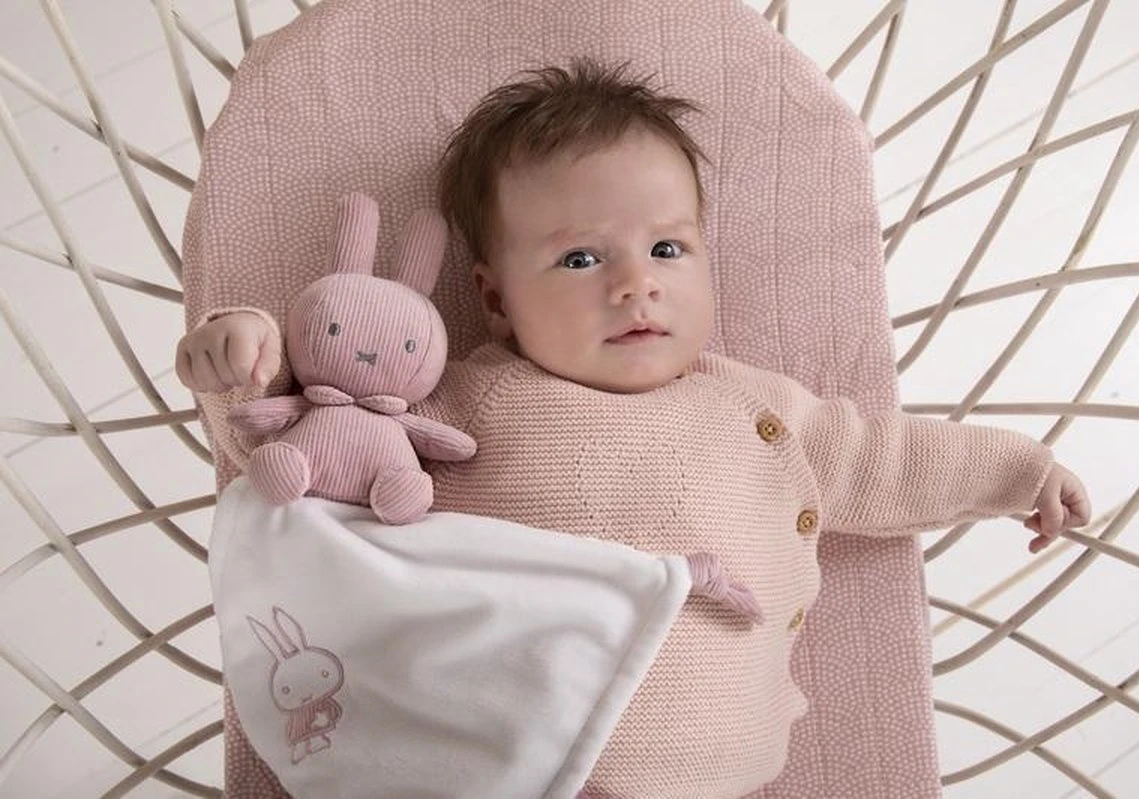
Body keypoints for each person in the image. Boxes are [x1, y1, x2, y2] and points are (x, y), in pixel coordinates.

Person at [178, 60, 1090, 799]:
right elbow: (308, 450)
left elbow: (884, 458)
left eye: (667, 248)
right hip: (507, 757)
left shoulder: (759, 410)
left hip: (719, 765)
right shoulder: (477, 400)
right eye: (580, 258)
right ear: (495, 300)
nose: (635, 284)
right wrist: (245, 365)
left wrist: (1019, 472)